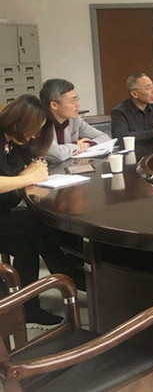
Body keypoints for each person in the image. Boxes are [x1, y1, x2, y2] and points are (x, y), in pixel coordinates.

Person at [0, 95, 86, 325]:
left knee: (27, 243)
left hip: (4, 213)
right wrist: (27, 178)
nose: (33, 136)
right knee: (36, 222)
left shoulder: (15, 143)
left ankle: (28, 307)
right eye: (32, 129)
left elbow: (35, 166)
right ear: (19, 121)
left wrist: (29, 173)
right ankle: (72, 273)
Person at [40, 78, 111, 164]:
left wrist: (87, 143)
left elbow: (105, 138)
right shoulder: (40, 123)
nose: (77, 104)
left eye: (77, 99)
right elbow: (58, 155)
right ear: (54, 105)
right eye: (72, 101)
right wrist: (77, 144)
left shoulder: (74, 120)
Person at [111, 73, 153, 145]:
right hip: (133, 151)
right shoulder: (119, 112)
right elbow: (123, 137)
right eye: (148, 88)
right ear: (134, 94)